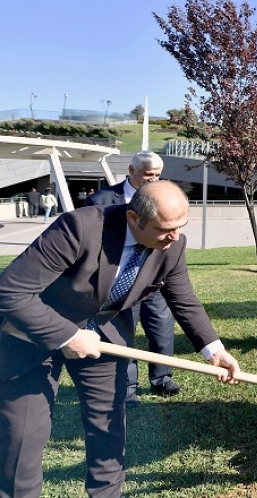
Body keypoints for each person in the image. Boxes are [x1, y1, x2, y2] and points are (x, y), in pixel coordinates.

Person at [0, 180, 241, 498]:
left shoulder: (172, 244)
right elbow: (10, 292)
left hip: (105, 336)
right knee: (23, 436)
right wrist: (67, 335)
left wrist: (214, 349)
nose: (175, 237)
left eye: (180, 227)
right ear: (133, 218)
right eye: (165, 229)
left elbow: (183, 297)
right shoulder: (79, 228)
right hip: (30, 335)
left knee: (108, 427)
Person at [85, 151, 180, 405]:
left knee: (161, 327)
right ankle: (128, 387)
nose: (154, 180)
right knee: (124, 333)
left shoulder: (163, 196)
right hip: (120, 283)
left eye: (158, 175)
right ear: (131, 170)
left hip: (153, 279)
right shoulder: (101, 199)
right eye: (149, 175)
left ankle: (162, 379)